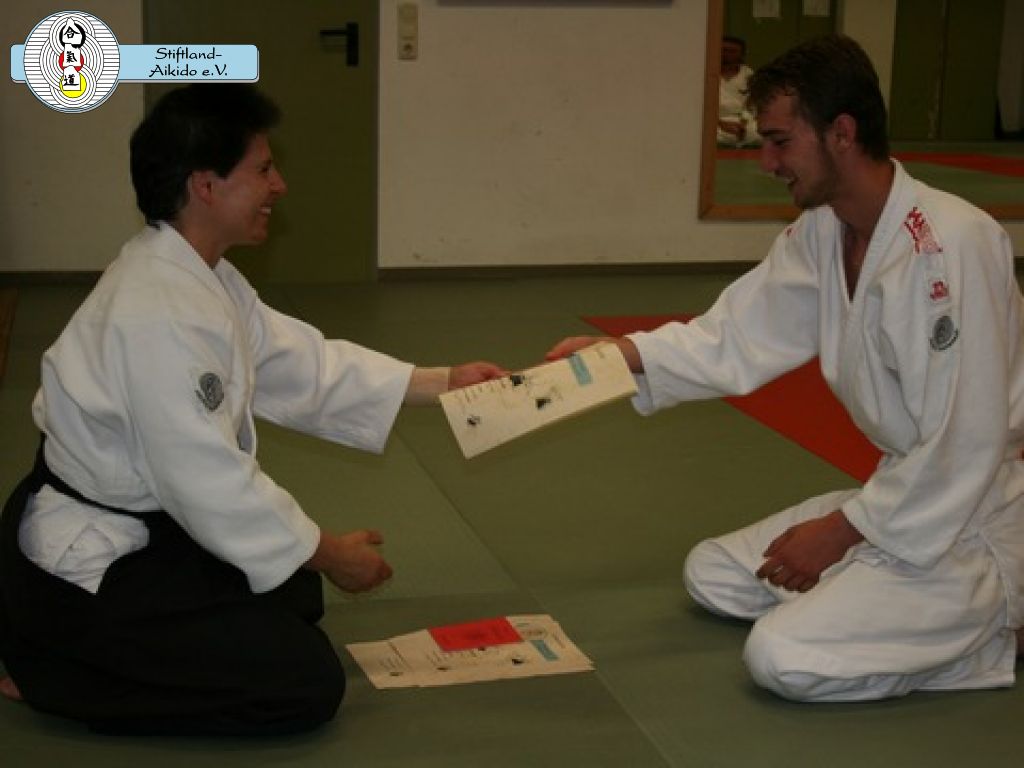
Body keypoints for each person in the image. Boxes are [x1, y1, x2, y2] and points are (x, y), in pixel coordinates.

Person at [0, 84, 505, 736]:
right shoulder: (154, 313)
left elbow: (298, 362)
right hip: (92, 560)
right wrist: (330, 552)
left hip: (153, 519)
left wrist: (442, 383)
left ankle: (74, 638)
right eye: (263, 169)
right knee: (304, 683)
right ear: (205, 185)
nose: (280, 186)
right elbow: (205, 477)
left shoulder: (199, 273)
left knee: (294, 592)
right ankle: (49, 672)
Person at [548, 34, 1024, 702]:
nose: (767, 161)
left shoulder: (951, 245)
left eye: (780, 141)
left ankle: (993, 628)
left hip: (973, 515)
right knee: (713, 572)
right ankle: (882, 601)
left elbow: (965, 442)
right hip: (903, 492)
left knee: (781, 657)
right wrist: (620, 355)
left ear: (842, 133)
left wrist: (840, 532)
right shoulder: (825, 230)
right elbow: (735, 335)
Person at [717, 36, 760, 147]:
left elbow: (752, 105)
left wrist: (743, 123)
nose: (726, 54)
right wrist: (720, 123)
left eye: (732, 51)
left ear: (742, 54)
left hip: (743, 121)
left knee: (758, 133)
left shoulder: (748, 74)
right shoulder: (707, 72)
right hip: (716, 122)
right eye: (724, 50)